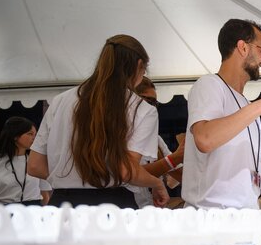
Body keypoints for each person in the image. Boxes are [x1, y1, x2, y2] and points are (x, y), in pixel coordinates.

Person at [28, 35, 168, 208]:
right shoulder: (141, 108)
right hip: (111, 207)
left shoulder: (61, 100)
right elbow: (126, 171)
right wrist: (157, 183)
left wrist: (70, 177)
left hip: (61, 205)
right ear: (139, 65)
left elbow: (34, 166)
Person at [182, 19, 261, 209]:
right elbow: (204, 139)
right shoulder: (209, 85)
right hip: (210, 219)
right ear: (243, 47)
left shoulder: (248, 106)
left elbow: (251, 173)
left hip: (244, 219)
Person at [133, 76, 186, 208]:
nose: (153, 108)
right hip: (127, 213)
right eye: (148, 101)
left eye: (155, 103)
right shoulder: (119, 137)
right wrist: (175, 158)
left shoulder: (155, 139)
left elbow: (179, 174)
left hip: (151, 214)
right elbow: (129, 173)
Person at [0, 117, 45, 205]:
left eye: (35, 135)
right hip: (3, 212)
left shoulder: (36, 162)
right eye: (30, 134)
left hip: (33, 211)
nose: (34, 138)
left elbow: (45, 194)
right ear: (15, 136)